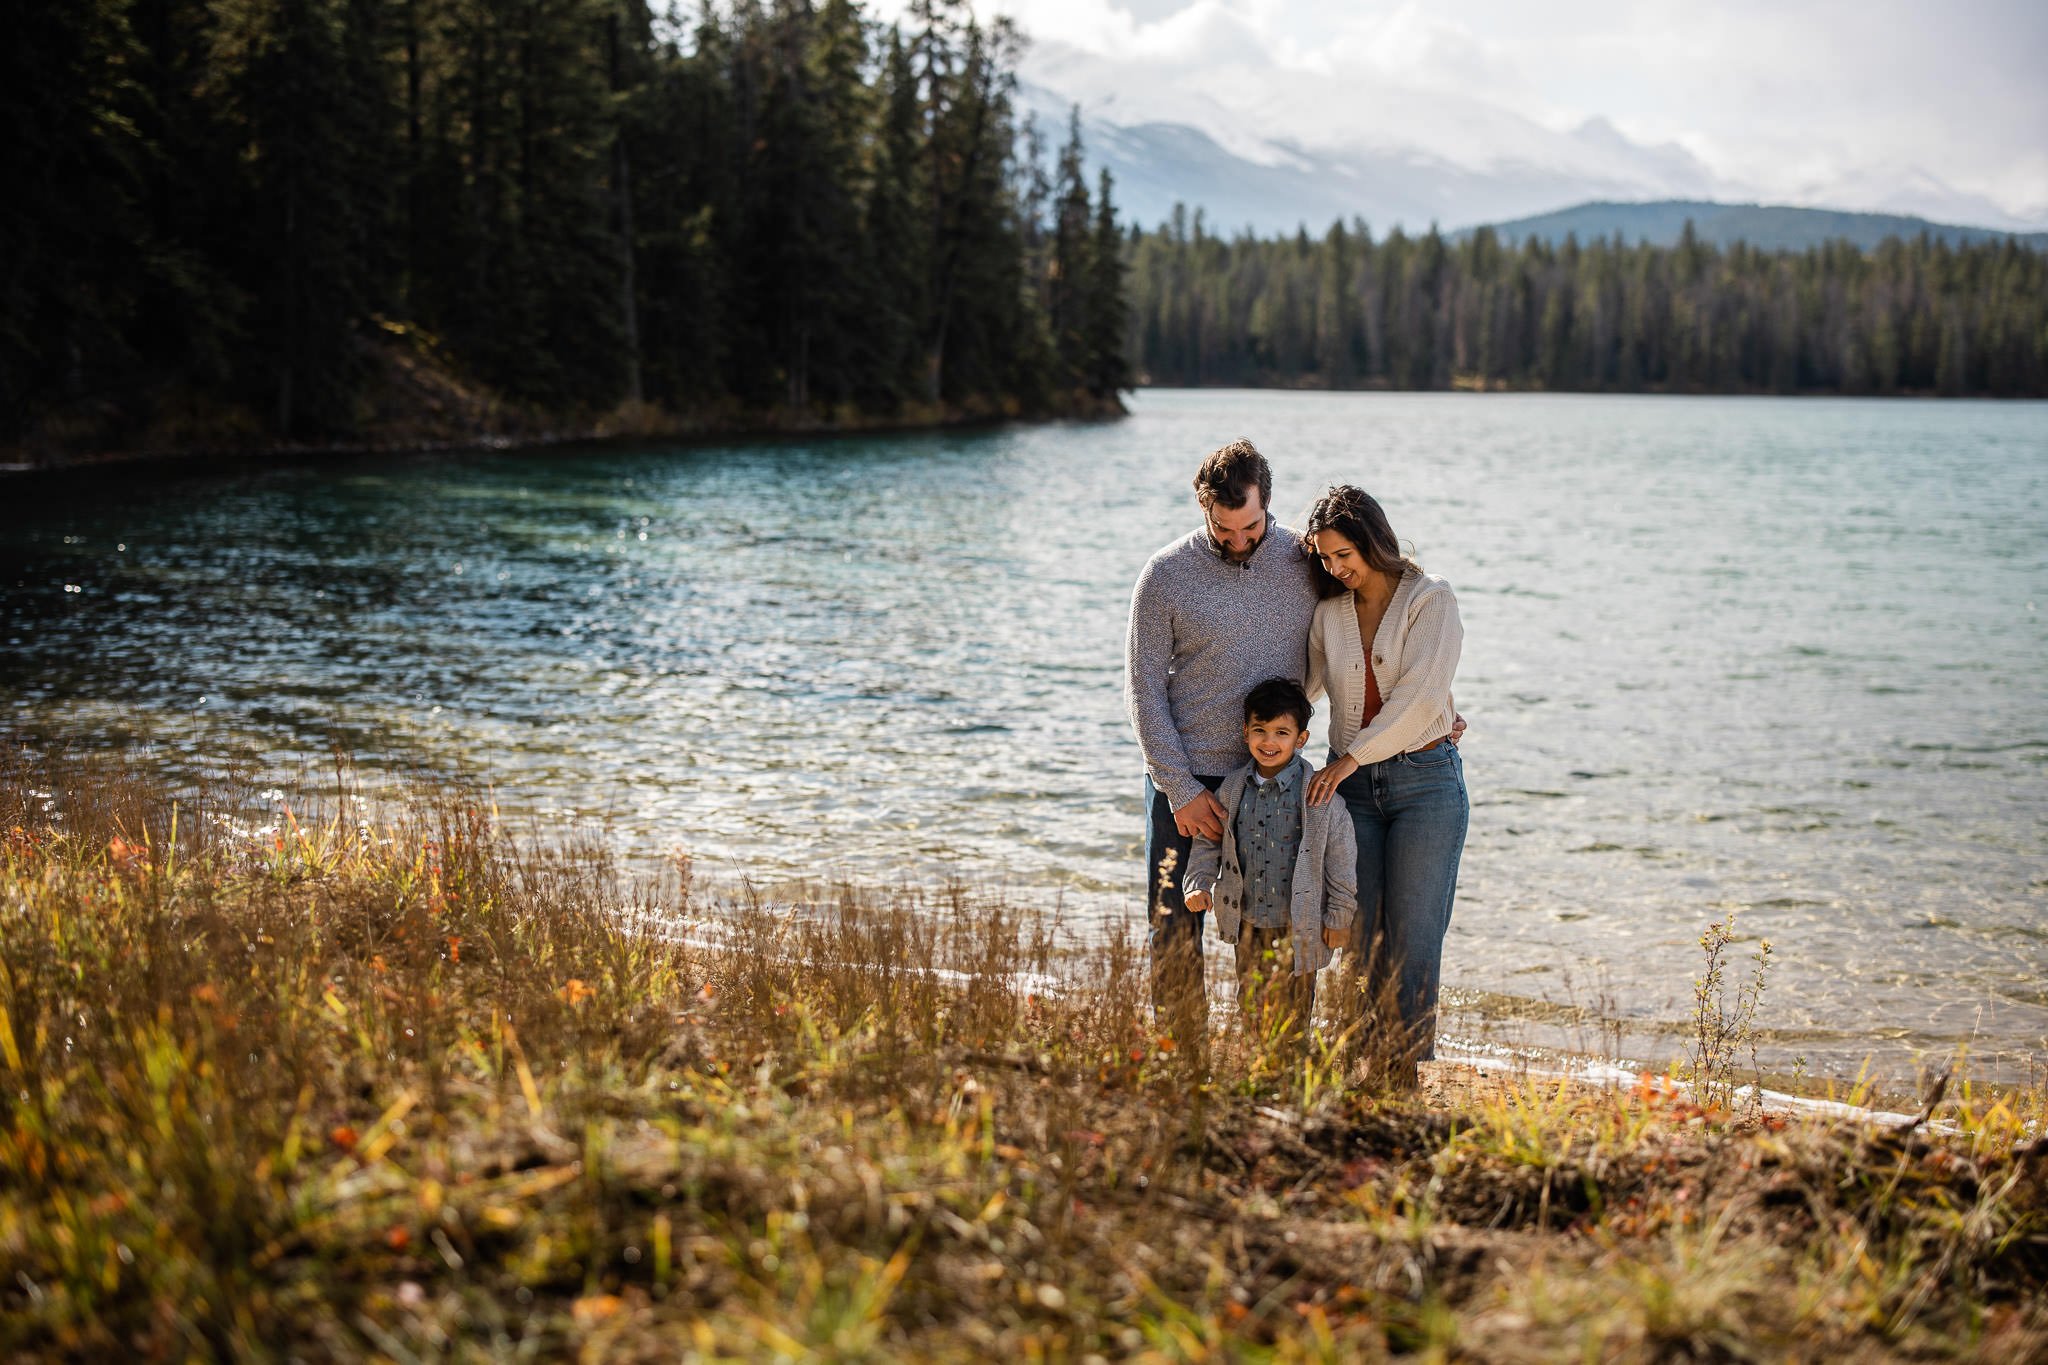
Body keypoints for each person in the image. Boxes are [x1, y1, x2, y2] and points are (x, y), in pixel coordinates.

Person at [1125, 439, 1319, 1033]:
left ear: (1269, 504)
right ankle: (1180, 1060)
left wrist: (1433, 708)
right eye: (1222, 528)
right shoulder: (1164, 576)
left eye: (1250, 527)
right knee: (1173, 925)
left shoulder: (1305, 563)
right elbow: (1144, 691)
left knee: (1271, 931)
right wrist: (1180, 789)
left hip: (1273, 780)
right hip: (1187, 783)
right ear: (1203, 510)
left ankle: (1276, 1059)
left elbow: (1363, 636)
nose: (1237, 541)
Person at [1301, 484, 1468, 1084]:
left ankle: (1403, 1073)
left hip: (1426, 786)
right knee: (1359, 931)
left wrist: (1347, 760)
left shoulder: (1431, 599)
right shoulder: (1328, 614)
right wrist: (1268, 740)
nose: (1336, 568)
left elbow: (1423, 693)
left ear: (1374, 540)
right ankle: (1358, 1060)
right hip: (1354, 797)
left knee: (1416, 934)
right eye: (1325, 558)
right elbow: (1308, 689)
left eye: (1344, 554)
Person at [1181, 679, 1358, 1042]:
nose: (1269, 742)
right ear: (1245, 733)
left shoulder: (1318, 795)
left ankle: (1290, 1081)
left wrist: (1339, 916)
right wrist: (1197, 883)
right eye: (1260, 731)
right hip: (1248, 922)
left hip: (1299, 925)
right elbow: (1208, 841)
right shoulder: (1231, 790)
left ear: (1301, 739)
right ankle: (1257, 1074)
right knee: (1251, 1002)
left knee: (1293, 1013)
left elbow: (1340, 858)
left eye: (1282, 732)